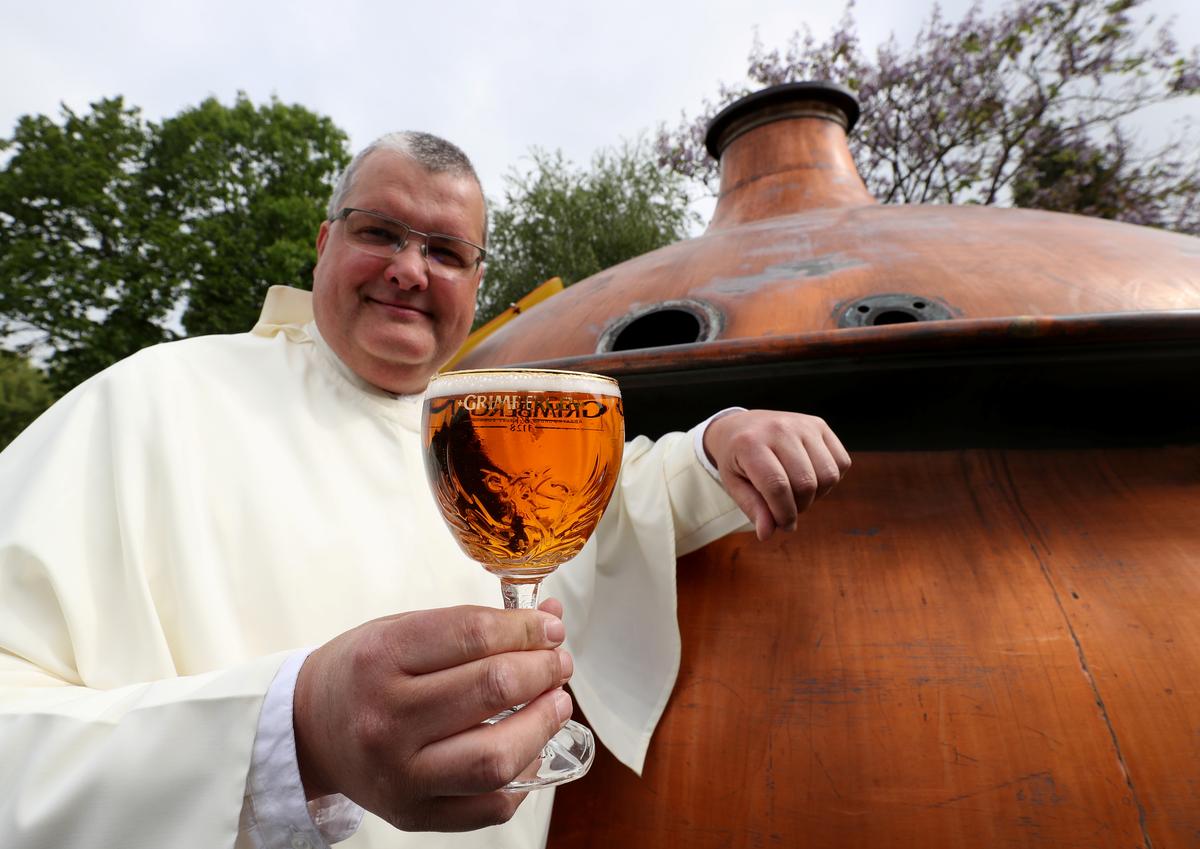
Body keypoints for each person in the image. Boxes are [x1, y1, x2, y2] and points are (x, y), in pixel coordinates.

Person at [0, 132, 850, 849]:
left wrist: (721, 437)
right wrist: (291, 738)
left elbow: (628, 494)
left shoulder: (498, 433)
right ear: (323, 245)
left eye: (446, 252)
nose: (411, 270)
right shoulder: (146, 403)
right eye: (381, 233)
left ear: (475, 285)